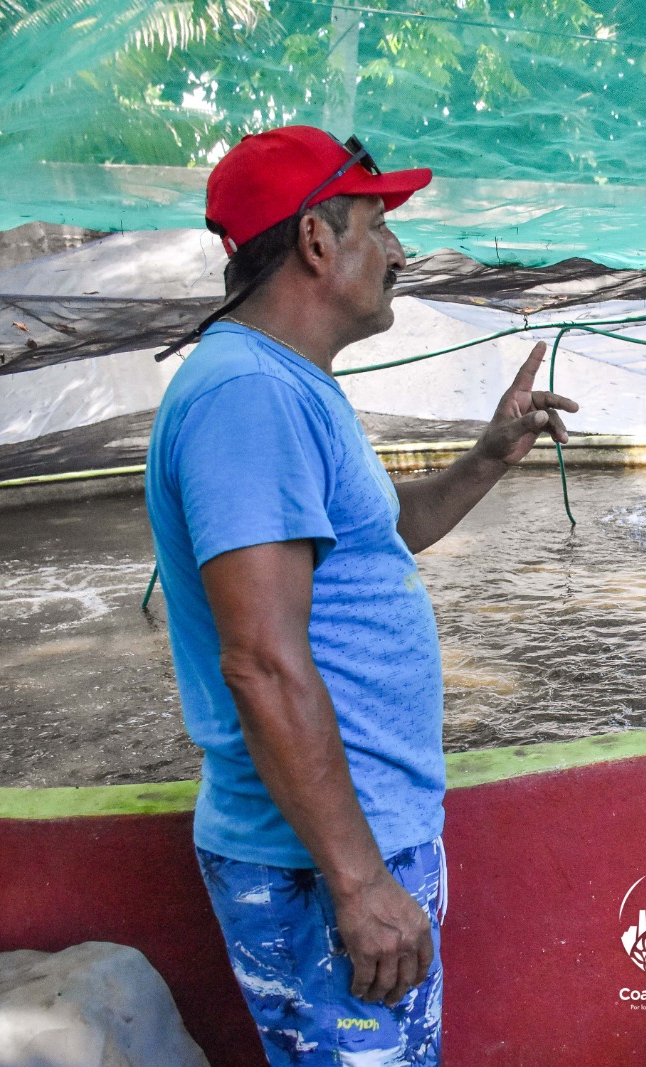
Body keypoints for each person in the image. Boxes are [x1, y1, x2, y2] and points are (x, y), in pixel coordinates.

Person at [145, 125, 578, 1065]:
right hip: (320, 864)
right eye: (378, 225)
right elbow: (261, 660)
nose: (399, 251)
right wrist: (356, 880)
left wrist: (487, 458)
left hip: (356, 845)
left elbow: (388, 535)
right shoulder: (247, 397)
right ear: (315, 240)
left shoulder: (289, 385)